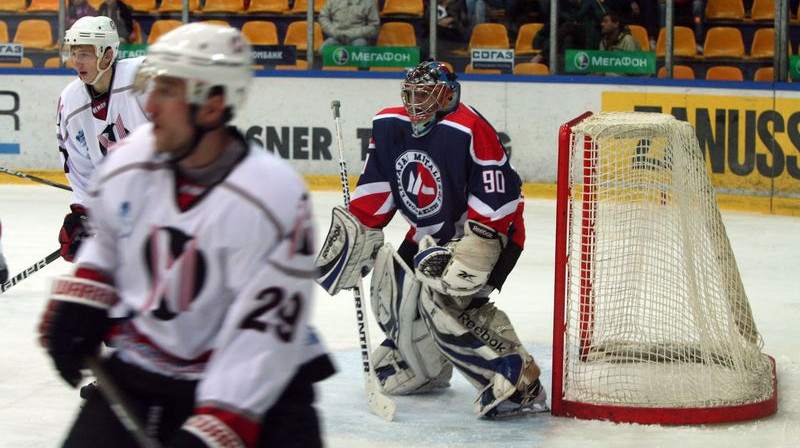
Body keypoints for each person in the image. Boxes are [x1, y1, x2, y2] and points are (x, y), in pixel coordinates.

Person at [38, 23, 334, 448]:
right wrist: (83, 296)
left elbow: (264, 338)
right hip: (150, 360)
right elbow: (108, 239)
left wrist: (218, 426)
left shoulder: (270, 197)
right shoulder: (131, 159)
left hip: (260, 390)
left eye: (167, 91)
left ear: (212, 106)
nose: (151, 104)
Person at [315, 60, 546, 419]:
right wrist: (358, 229)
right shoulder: (390, 125)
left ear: (448, 93)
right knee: (394, 287)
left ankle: (517, 376)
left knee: (446, 299)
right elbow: (379, 183)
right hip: (428, 234)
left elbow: (502, 196)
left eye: (425, 93)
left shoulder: (469, 128)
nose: (416, 102)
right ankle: (422, 365)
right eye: (412, 93)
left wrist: (476, 249)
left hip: (489, 233)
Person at [56, 16, 149, 263]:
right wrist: (82, 212)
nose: (76, 61)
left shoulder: (143, 79)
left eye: (85, 54)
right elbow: (81, 168)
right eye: (73, 52)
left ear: (107, 55)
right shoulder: (70, 101)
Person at [531, 0, 606, 71]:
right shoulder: (565, 5)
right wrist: (539, 37)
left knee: (568, 26)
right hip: (573, 37)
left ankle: (542, 55)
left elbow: (602, 22)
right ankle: (564, 71)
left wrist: (583, 25)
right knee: (568, 38)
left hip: (590, 35)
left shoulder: (592, 2)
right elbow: (553, 22)